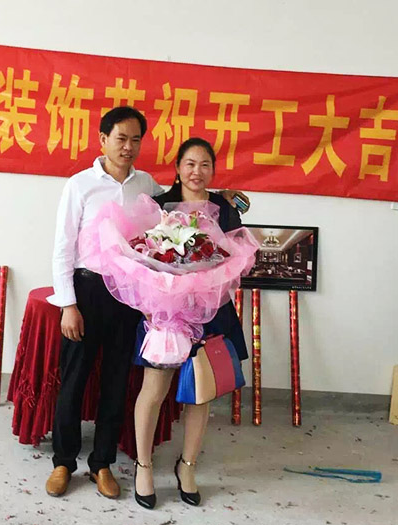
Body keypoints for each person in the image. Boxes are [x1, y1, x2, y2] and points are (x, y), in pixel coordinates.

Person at [46, 108, 248, 500]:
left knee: (117, 381)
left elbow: (185, 198)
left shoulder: (147, 186)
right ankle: (63, 462)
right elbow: (62, 247)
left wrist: (221, 195)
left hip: (132, 298)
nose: (128, 146)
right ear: (103, 139)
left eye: (135, 139)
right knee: (74, 377)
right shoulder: (80, 185)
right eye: (121, 138)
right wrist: (68, 304)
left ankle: (102, 463)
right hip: (88, 291)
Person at [132, 137, 249, 509]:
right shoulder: (159, 206)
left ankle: (187, 466)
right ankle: (143, 466)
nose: (197, 171)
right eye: (190, 163)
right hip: (166, 314)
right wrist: (150, 306)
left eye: (205, 165)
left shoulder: (225, 210)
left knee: (201, 392)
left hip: (212, 312)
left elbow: (235, 260)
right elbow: (141, 261)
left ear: (213, 170)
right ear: (178, 167)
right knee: (154, 390)